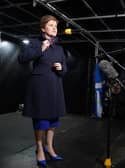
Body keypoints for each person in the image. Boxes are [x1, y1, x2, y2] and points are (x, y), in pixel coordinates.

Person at [18, 15, 67, 167]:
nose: (54, 28)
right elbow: (22, 58)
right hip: (39, 88)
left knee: (53, 121)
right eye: (51, 25)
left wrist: (61, 68)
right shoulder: (34, 43)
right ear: (43, 28)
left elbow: (65, 69)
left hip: (55, 87)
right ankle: (39, 148)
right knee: (41, 121)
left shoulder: (59, 48)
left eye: (56, 26)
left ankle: (50, 147)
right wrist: (40, 49)